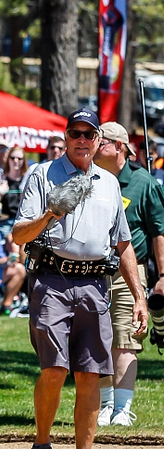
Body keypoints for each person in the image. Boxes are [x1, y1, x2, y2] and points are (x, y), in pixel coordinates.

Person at [13, 108, 147, 449]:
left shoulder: (109, 183)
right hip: (53, 278)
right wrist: (50, 214)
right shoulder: (43, 174)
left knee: (90, 373)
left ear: (99, 140)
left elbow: (122, 244)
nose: (82, 141)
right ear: (67, 136)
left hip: (94, 284)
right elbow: (19, 234)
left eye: (90, 135)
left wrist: (138, 296)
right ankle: (42, 446)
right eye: (76, 133)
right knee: (54, 370)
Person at [93, 121, 164, 427]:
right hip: (92, 271)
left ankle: (123, 408)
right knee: (97, 340)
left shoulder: (143, 182)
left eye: (101, 141)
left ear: (118, 147)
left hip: (127, 272)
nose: (93, 145)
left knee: (125, 339)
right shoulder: (89, 177)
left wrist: (163, 276)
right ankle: (106, 405)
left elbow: (159, 231)